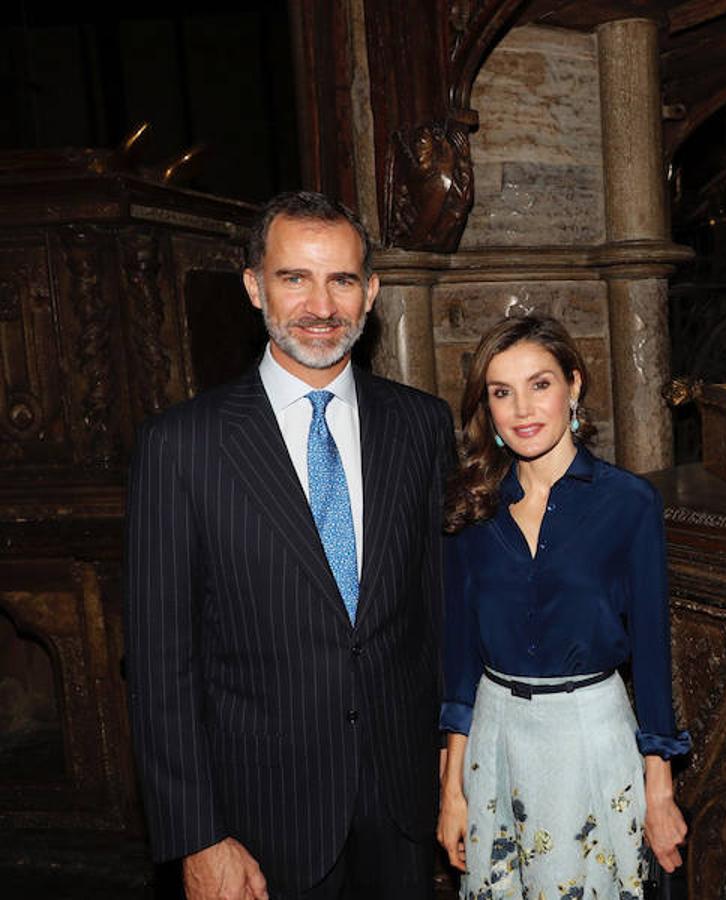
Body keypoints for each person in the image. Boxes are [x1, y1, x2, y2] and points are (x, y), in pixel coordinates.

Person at [125, 191, 455, 899]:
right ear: (253, 286)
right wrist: (196, 835)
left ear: (371, 291)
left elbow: (437, 613)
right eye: (293, 278)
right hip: (260, 819)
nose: (320, 305)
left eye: (341, 279)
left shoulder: (421, 426)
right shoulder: (181, 445)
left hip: (403, 805)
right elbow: (160, 664)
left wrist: (453, 760)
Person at [437, 314, 690, 898]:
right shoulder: (471, 507)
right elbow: (459, 664)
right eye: (502, 392)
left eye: (540, 384)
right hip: (496, 739)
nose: (522, 408)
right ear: (488, 408)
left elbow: (652, 654)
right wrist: (452, 790)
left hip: (590, 736)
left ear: (574, 385)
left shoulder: (629, 503)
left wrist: (661, 790)